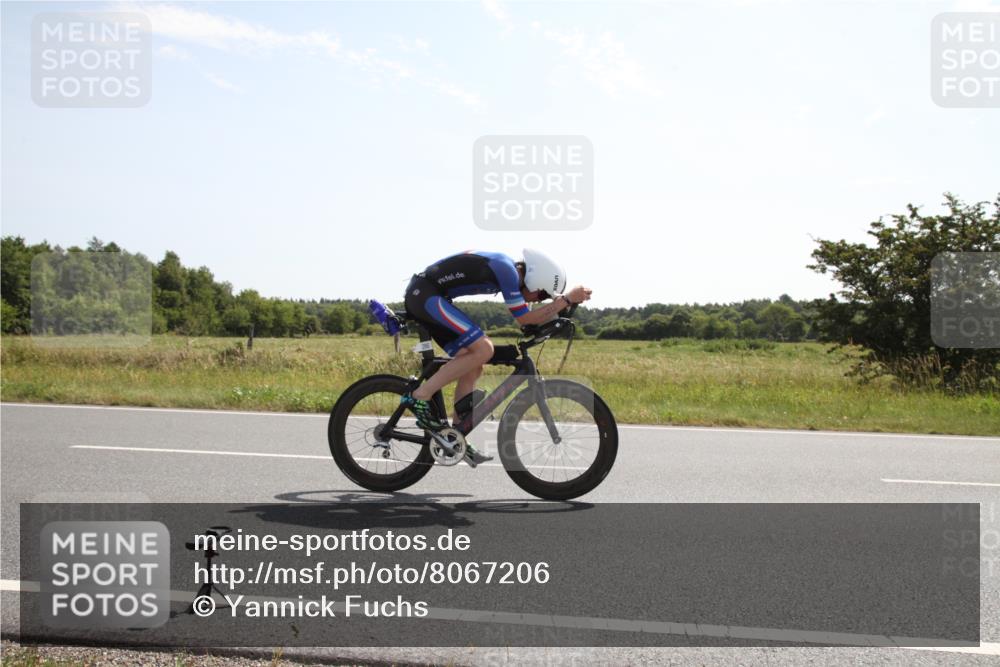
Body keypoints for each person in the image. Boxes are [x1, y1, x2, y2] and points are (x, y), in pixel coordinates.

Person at [400, 249, 592, 466]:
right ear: (535, 281)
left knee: (473, 364)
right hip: (425, 294)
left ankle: (455, 435)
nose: (539, 300)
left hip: (431, 295)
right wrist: (565, 299)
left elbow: (528, 320)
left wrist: (563, 306)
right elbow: (524, 319)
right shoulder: (507, 271)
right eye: (542, 295)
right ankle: (420, 396)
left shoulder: (507, 269)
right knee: (484, 349)